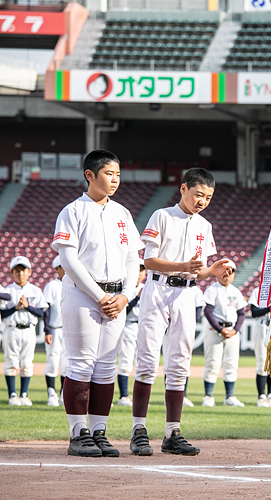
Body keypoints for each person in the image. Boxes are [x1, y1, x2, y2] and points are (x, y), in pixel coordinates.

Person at [130, 168, 231, 457]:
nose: (202, 201)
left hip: (187, 293)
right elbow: (148, 261)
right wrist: (182, 267)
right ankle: (139, 430)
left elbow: (196, 272)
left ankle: (172, 432)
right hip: (158, 290)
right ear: (183, 188)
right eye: (198, 194)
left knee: (179, 364)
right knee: (148, 360)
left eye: (208, 197)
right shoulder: (162, 216)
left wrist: (211, 271)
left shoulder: (204, 226)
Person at [52, 149, 143, 457]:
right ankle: (78, 433)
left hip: (118, 296)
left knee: (106, 367)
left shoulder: (122, 213)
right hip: (82, 294)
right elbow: (68, 259)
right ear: (90, 175)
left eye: (118, 174)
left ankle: (100, 432)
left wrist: (125, 296)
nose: (115, 180)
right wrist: (101, 296)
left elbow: (133, 258)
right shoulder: (72, 211)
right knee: (81, 362)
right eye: (108, 174)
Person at [201, 259, 248, 407]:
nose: (227, 274)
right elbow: (208, 312)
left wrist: (235, 330)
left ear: (234, 274)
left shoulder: (235, 291)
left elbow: (242, 313)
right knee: (212, 363)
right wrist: (220, 329)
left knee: (231, 364)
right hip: (215, 330)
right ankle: (208, 396)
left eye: (230, 271)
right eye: (224, 271)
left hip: (232, 331)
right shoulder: (212, 289)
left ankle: (230, 397)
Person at [3, 256, 47, 407]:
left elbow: (42, 313)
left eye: (23, 270)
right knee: (11, 362)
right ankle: (12, 395)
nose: (20, 274)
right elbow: (2, 314)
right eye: (17, 271)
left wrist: (27, 306)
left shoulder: (35, 290)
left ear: (29, 272)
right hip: (12, 329)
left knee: (27, 363)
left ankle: (24, 395)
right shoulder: (7, 291)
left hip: (29, 329)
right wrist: (14, 308)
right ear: (11, 273)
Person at [116, 260, 146, 407]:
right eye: (137, 270)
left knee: (142, 363)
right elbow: (124, 310)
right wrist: (137, 297)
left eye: (142, 271)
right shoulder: (124, 289)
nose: (140, 274)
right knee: (125, 361)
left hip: (143, 327)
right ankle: (124, 396)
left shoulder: (146, 288)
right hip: (127, 325)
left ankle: (139, 398)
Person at [248, 286, 271, 408]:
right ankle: (261, 396)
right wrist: (270, 308)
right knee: (262, 361)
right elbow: (254, 312)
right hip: (262, 326)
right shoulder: (258, 290)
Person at [43, 256, 67, 407]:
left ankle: (64, 392)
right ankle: (51, 392)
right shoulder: (52, 285)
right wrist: (47, 330)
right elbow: (46, 309)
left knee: (66, 363)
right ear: (56, 269)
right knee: (52, 360)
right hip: (55, 329)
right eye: (61, 266)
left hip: (69, 330)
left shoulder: (73, 284)